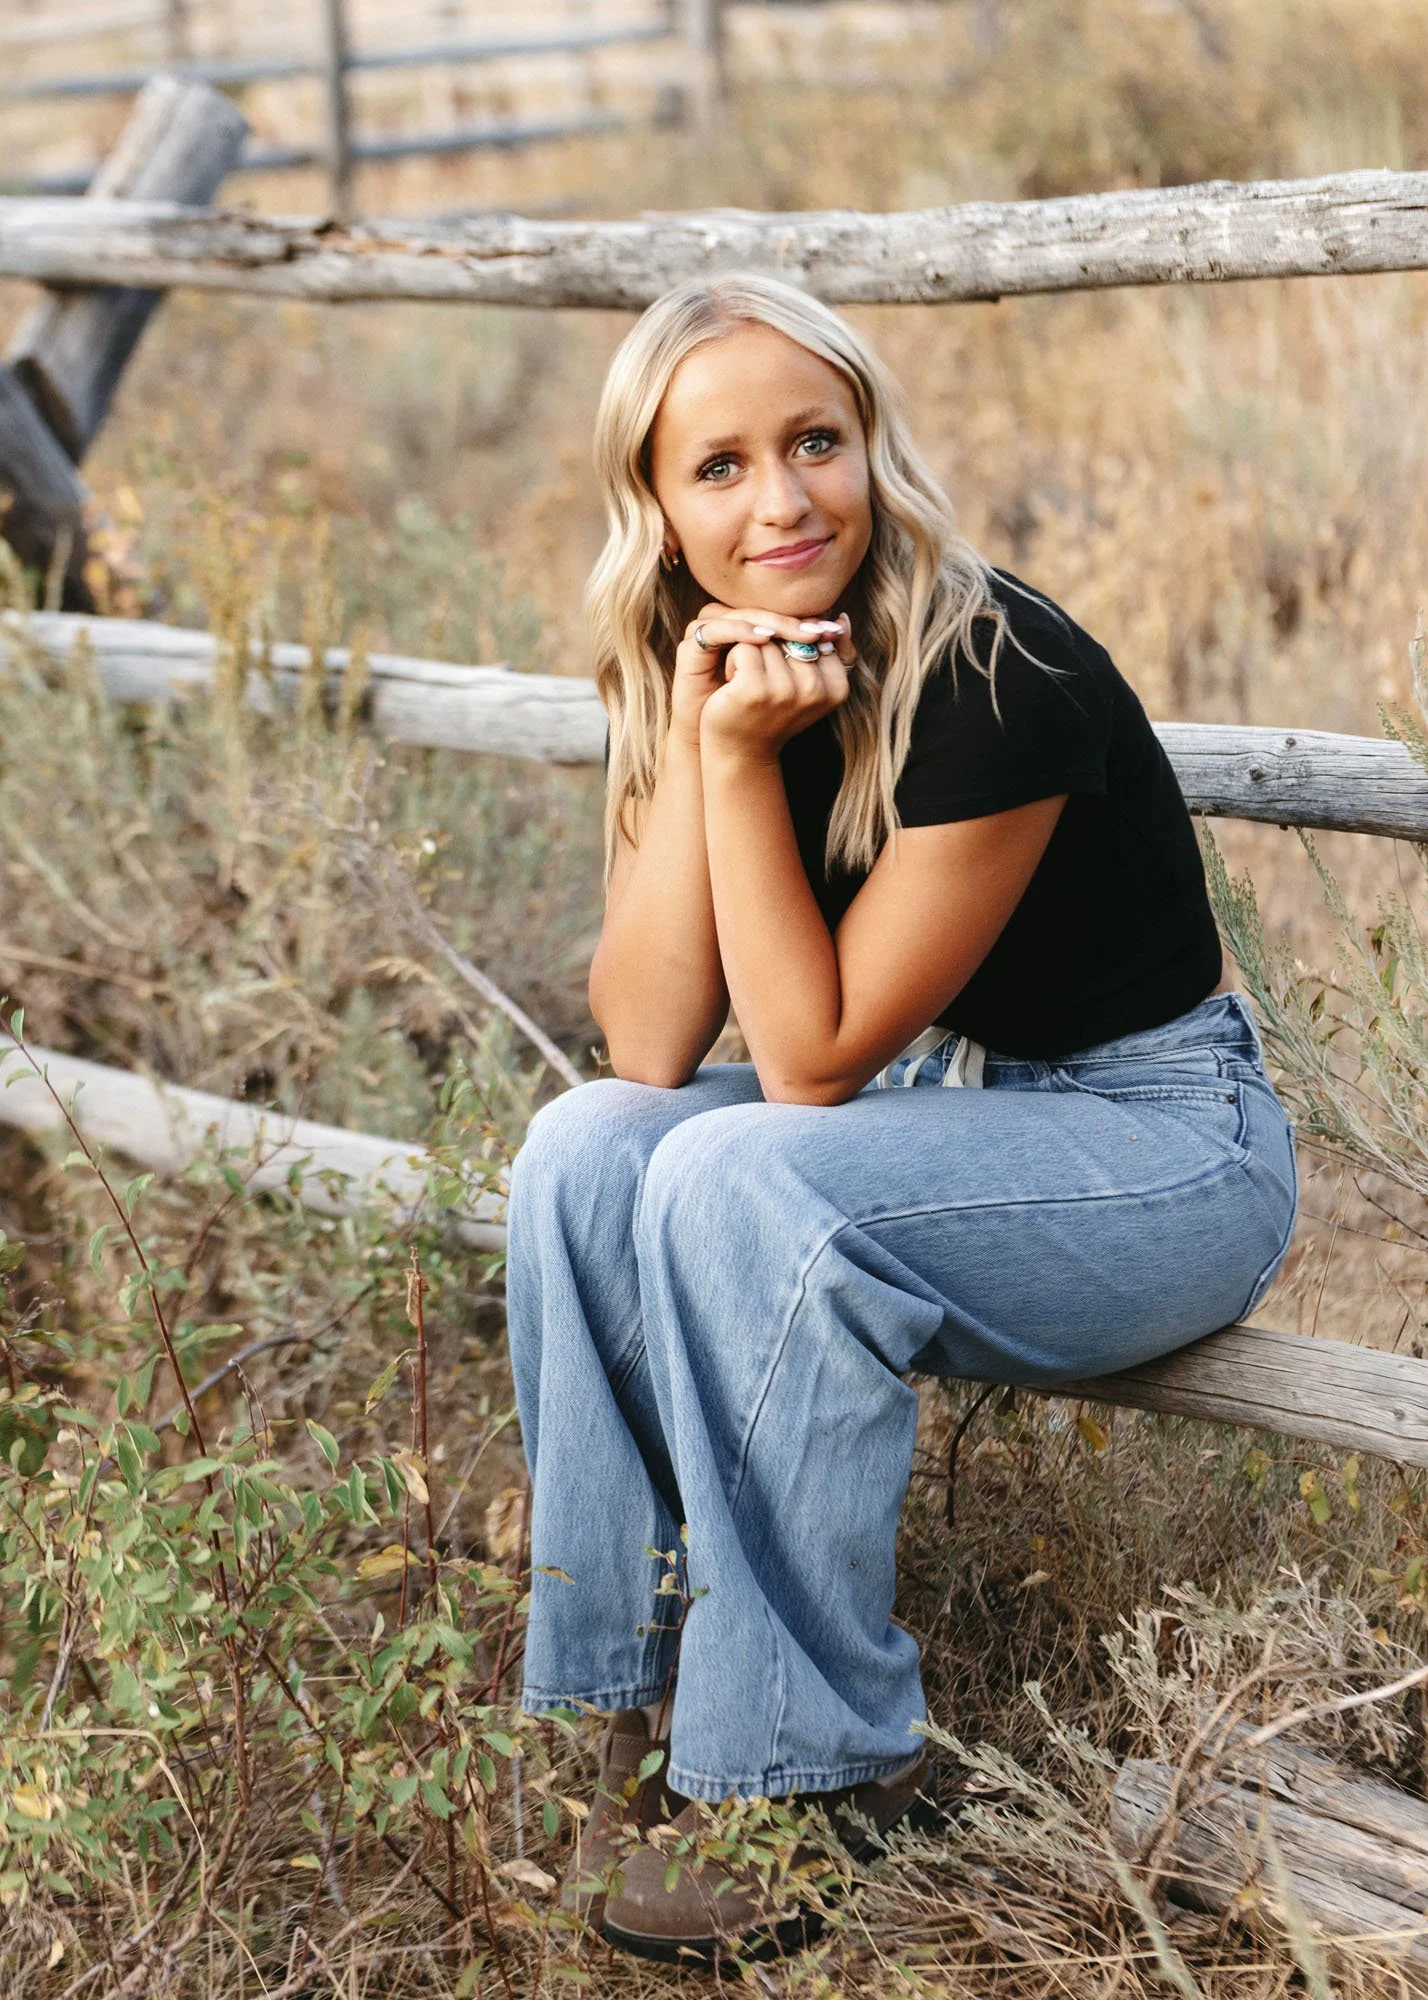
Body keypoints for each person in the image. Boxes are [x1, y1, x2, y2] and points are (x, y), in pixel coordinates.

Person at [504, 272, 1299, 1965]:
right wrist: (696, 730)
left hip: (1165, 1153)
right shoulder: (697, 657)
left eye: (816, 442)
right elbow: (647, 1038)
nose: (781, 499)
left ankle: (804, 1782)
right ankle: (639, 1712)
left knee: (743, 1170)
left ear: (875, 445)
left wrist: (731, 777)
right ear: (653, 504)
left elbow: (809, 1068)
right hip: (968, 1128)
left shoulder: (990, 666)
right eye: (716, 467)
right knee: (585, 1151)